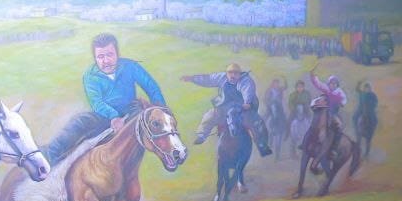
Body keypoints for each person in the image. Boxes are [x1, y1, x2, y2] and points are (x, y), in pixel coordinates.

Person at [46, 33, 166, 163]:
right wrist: (114, 116)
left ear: (117, 54)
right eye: (100, 57)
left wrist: (160, 108)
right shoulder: (90, 76)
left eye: (110, 55)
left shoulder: (130, 66)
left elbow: (151, 87)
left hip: (131, 113)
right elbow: (96, 102)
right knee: (80, 121)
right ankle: (49, 155)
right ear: (95, 58)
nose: (106, 61)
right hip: (104, 116)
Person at [181, 63, 272, 156]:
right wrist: (192, 78)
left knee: (257, 123)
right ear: (227, 73)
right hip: (225, 107)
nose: (232, 75)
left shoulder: (246, 81)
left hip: (243, 108)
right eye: (230, 72)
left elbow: (248, 91)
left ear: (240, 74)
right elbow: (208, 79)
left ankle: (262, 145)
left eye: (235, 73)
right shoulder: (222, 77)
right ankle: (202, 135)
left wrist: (247, 103)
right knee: (210, 115)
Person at [308, 70, 347, 173]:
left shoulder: (339, 92)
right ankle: (308, 142)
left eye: (334, 84)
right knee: (315, 121)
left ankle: (334, 148)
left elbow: (344, 100)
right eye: (331, 83)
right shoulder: (326, 89)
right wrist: (313, 76)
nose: (332, 85)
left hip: (333, 113)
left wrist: (341, 102)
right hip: (325, 111)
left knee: (339, 126)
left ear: (337, 85)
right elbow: (318, 84)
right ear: (328, 84)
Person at [353, 80, 380, 159]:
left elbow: (375, 103)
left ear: (370, 89)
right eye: (366, 88)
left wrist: (370, 107)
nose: (367, 89)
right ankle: (356, 130)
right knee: (354, 117)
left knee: (374, 120)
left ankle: (367, 152)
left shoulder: (373, 95)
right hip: (361, 110)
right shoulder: (362, 93)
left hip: (369, 111)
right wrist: (359, 83)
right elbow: (357, 89)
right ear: (364, 89)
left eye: (368, 88)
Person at [264, 77, 288, 160]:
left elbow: (286, 87)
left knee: (284, 118)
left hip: (279, 106)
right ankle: (267, 133)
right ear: (272, 84)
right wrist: (270, 103)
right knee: (264, 118)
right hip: (271, 106)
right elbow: (266, 99)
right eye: (275, 83)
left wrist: (285, 79)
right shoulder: (269, 90)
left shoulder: (280, 89)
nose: (276, 85)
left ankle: (285, 131)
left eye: (277, 83)